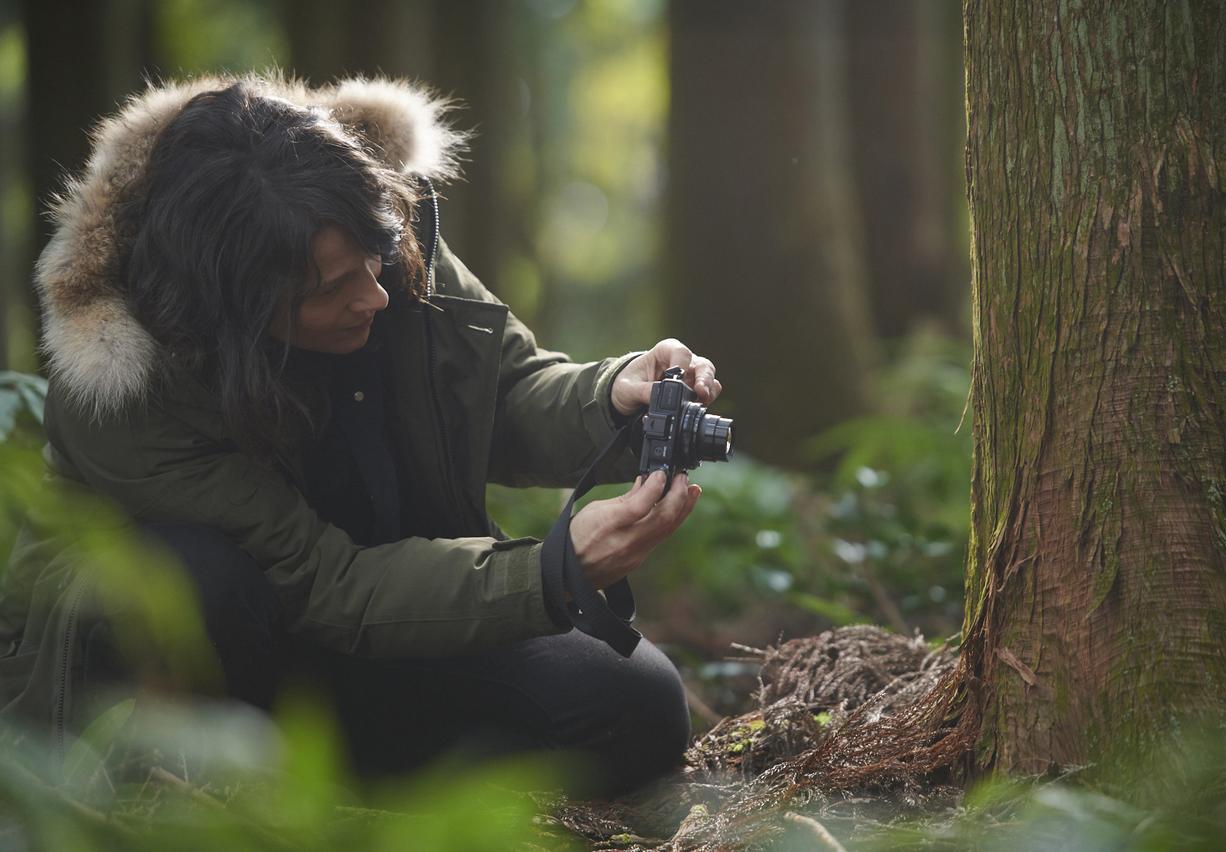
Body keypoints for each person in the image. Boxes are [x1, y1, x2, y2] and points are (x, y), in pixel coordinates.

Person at [0, 75, 722, 794]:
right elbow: (324, 584)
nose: (373, 296)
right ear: (233, 310)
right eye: (327, 289)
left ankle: (351, 789)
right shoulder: (129, 389)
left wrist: (615, 396)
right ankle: (189, 785)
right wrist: (550, 571)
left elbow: (505, 393)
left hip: (388, 611)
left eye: (372, 260)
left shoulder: (370, 228)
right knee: (197, 576)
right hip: (222, 645)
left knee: (637, 710)